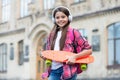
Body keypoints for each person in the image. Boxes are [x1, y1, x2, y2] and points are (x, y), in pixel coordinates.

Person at [41, 6, 92, 80]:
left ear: (68, 18)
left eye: (63, 17)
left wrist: (75, 57)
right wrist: (44, 56)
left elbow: (89, 50)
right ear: (54, 20)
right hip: (53, 71)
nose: (60, 19)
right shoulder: (51, 35)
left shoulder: (74, 32)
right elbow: (50, 56)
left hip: (68, 72)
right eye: (57, 18)